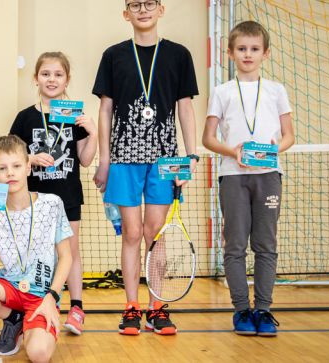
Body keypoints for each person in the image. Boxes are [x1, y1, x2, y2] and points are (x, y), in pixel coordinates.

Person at [92, 0, 199, 335]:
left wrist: (190, 157)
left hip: (166, 160)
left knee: (156, 235)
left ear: (161, 9)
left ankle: (156, 307)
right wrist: (105, 159)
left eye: (149, 3)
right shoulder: (113, 55)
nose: (142, 9)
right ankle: (131, 306)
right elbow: (106, 111)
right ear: (126, 13)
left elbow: (184, 109)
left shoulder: (179, 55)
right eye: (135, 5)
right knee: (132, 234)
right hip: (123, 159)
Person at [202, 20, 294, 336]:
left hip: (268, 175)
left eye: (254, 49)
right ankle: (242, 310)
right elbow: (208, 138)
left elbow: (289, 136)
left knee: (266, 244)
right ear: (230, 53)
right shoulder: (222, 91)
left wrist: (273, 148)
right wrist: (233, 151)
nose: (248, 54)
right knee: (236, 245)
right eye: (241, 49)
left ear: (265, 53)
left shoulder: (277, 91)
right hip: (233, 176)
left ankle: (264, 311)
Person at [0, 135, 72, 362]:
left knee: (39, 354)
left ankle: (30, 326)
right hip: (9, 289)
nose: (10, 173)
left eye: (16, 166)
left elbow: (66, 257)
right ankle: (14, 318)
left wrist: (52, 297)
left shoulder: (52, 203)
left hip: (41, 295)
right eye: (2, 168)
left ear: (28, 167)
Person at [9, 51, 97, 335]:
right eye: (45, 74)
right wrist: (31, 160)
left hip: (67, 196)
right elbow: (12, 156)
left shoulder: (75, 116)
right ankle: (36, 303)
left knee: (70, 251)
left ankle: (77, 308)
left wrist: (93, 133)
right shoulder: (25, 117)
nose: (52, 79)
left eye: (58, 74)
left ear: (67, 79)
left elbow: (84, 159)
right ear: (36, 78)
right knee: (36, 252)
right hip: (34, 198)